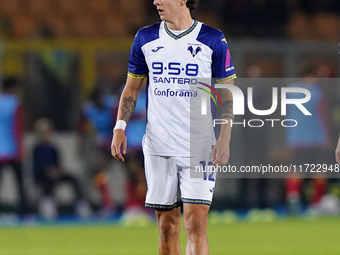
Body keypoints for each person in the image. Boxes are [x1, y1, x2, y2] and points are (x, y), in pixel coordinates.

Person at [111, 0, 236, 254]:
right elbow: (131, 88)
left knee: (197, 223)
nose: (156, 0)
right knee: (167, 226)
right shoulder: (145, 38)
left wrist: (225, 137)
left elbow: (229, 91)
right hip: (159, 145)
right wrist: (119, 126)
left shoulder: (213, 39)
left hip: (199, 145)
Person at [33, 119, 91, 219]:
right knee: (46, 183)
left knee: (73, 179)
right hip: (42, 175)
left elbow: (58, 163)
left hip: (54, 174)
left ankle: (81, 204)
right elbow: (37, 165)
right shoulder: (37, 148)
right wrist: (47, 171)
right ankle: (48, 205)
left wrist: (57, 171)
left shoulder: (53, 148)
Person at [0, 77, 29, 217]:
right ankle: (24, 213)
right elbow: (18, 128)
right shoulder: (15, 104)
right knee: (20, 184)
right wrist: (21, 148)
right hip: (12, 149)